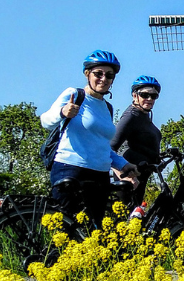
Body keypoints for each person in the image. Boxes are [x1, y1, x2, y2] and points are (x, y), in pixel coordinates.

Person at [40, 50, 139, 226]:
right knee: (68, 228)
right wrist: (63, 112)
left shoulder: (107, 107)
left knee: (95, 229)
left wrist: (122, 164)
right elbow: (46, 120)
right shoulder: (75, 95)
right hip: (71, 168)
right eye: (98, 74)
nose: (104, 79)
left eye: (109, 75)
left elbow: (102, 146)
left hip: (100, 174)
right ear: (87, 74)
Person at [110, 75, 163, 209]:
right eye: (145, 95)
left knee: (136, 219)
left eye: (154, 96)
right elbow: (109, 148)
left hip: (141, 176)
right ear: (135, 95)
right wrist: (123, 176)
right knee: (126, 220)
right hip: (130, 177)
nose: (149, 99)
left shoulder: (144, 116)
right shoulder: (131, 116)